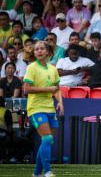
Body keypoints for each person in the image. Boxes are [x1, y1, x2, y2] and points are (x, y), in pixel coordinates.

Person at [23, 41, 64, 177]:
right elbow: (26, 89)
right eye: (36, 49)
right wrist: (47, 89)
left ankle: (36, 173)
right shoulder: (31, 68)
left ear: (48, 52)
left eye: (42, 49)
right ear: (34, 53)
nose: (39, 51)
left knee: (48, 140)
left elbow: (57, 89)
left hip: (50, 108)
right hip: (35, 108)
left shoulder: (52, 69)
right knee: (46, 139)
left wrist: (60, 103)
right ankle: (47, 171)